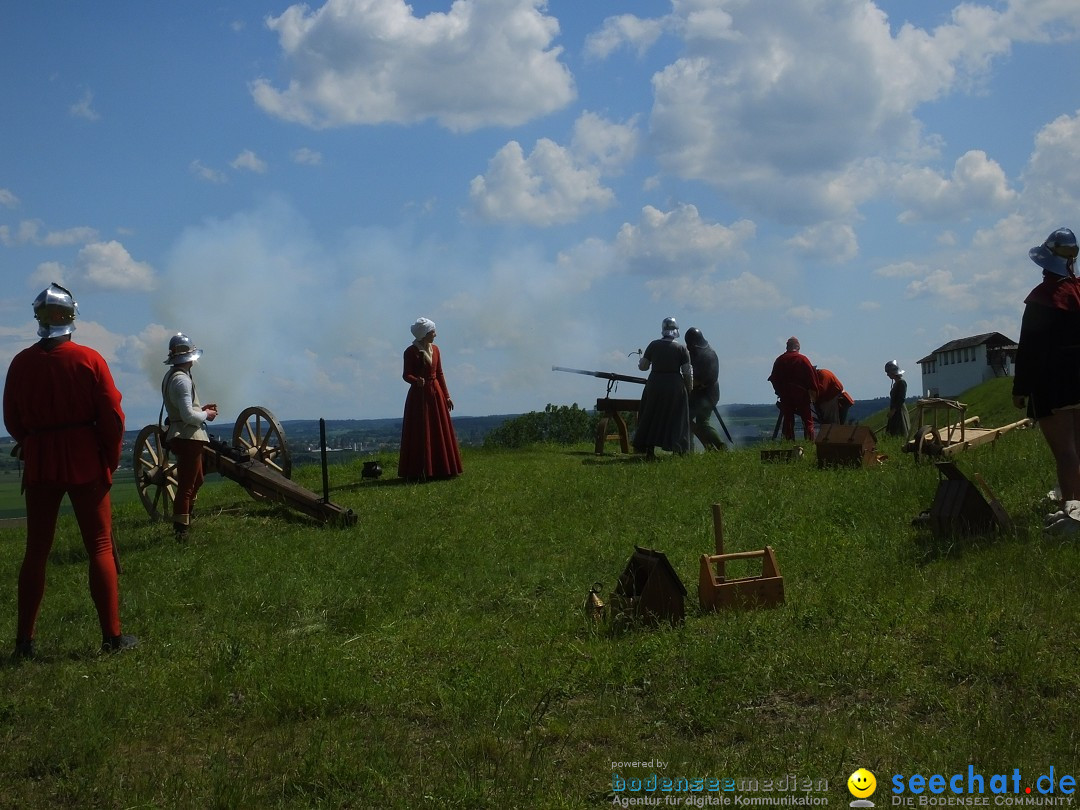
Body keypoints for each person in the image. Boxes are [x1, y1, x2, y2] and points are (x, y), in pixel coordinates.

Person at [4, 283, 137, 658]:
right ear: (71, 316)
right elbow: (112, 416)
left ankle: (24, 643)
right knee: (99, 545)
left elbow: (12, 419)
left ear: (39, 318)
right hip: (83, 458)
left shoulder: (20, 363)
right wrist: (107, 459)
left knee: (36, 551)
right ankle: (111, 638)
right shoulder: (89, 359)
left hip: (41, 458)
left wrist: (34, 443)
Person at [1011, 228, 1080, 532]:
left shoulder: (1042, 299)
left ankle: (1073, 515)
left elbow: (1031, 350)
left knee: (1065, 453)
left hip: (1054, 386)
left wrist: (1020, 389)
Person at [162, 333, 218, 540]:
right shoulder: (182, 381)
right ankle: (181, 530)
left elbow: (183, 410)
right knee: (186, 485)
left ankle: (187, 518)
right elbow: (187, 416)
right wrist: (206, 415)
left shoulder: (172, 376)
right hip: (188, 436)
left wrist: (199, 409)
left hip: (183, 434)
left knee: (198, 479)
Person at [398, 317, 463, 480]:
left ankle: (443, 468)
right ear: (425, 333)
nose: (435, 334)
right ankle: (420, 470)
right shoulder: (410, 351)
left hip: (436, 393)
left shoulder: (436, 350)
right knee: (422, 431)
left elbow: (439, 373)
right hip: (419, 397)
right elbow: (406, 374)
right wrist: (415, 380)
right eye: (433, 331)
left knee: (439, 429)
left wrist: (447, 396)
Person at [633, 317, 692, 457]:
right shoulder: (682, 348)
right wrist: (689, 388)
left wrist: (641, 360)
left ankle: (648, 449)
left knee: (650, 415)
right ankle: (678, 449)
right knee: (677, 417)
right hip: (675, 386)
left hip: (655, 384)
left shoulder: (653, 345)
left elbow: (643, 367)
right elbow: (687, 372)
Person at [768, 337, 817, 441]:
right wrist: (813, 393)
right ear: (798, 347)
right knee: (807, 420)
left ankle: (788, 442)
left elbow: (773, 378)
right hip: (801, 394)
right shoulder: (803, 359)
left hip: (785, 394)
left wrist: (779, 391)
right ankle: (809, 442)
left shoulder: (780, 360)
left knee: (788, 420)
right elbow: (812, 378)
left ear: (787, 347)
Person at [685, 327, 725, 450]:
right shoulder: (694, 353)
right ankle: (692, 448)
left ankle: (721, 446)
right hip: (696, 395)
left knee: (703, 423)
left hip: (707, 394)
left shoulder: (709, 355)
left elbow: (710, 378)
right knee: (685, 420)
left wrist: (693, 384)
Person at [884, 360, 910, 438]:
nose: (888, 375)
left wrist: (893, 410)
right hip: (895, 411)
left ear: (893, 372)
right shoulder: (896, 383)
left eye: (888, 372)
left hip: (899, 411)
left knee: (900, 431)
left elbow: (901, 399)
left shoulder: (902, 382)